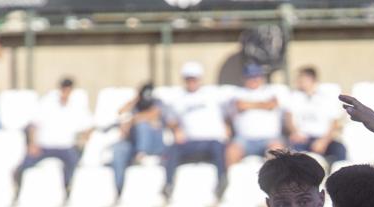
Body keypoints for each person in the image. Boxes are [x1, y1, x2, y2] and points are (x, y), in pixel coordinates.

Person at [163, 61, 229, 191]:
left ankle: (222, 181)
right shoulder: (178, 99)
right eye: (188, 79)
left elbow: (230, 110)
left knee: (220, 147)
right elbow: (170, 119)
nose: (191, 82)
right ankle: (169, 185)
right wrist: (176, 129)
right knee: (171, 150)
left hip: (211, 141)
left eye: (194, 79)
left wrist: (227, 126)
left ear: (199, 79)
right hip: (189, 142)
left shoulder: (213, 95)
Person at [17, 78, 91, 187]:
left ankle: (67, 190)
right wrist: (32, 144)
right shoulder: (46, 102)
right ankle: (17, 189)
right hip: (44, 146)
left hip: (66, 147)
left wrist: (82, 142)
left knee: (73, 163)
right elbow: (33, 125)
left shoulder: (77, 106)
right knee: (23, 166)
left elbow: (88, 127)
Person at [227, 64, 286, 167]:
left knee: (277, 150)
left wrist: (250, 104)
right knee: (232, 151)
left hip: (270, 138)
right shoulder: (237, 92)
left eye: (256, 76)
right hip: (244, 139)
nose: (253, 80)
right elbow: (240, 105)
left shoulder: (272, 90)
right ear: (244, 78)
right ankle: (228, 180)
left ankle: (276, 182)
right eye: (250, 77)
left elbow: (271, 104)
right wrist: (263, 104)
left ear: (262, 77)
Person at [110, 82, 165, 192]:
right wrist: (136, 99)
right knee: (118, 149)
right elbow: (120, 112)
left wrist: (132, 121)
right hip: (133, 144)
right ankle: (118, 189)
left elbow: (153, 114)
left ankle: (141, 154)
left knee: (142, 126)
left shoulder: (158, 103)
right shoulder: (136, 105)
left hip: (153, 146)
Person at [285, 67, 346, 163]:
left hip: (323, 139)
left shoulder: (327, 97)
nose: (299, 82)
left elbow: (334, 122)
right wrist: (296, 133)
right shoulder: (294, 96)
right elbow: (288, 118)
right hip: (303, 139)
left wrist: (324, 141)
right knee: (294, 153)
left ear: (311, 79)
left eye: (302, 79)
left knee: (340, 149)